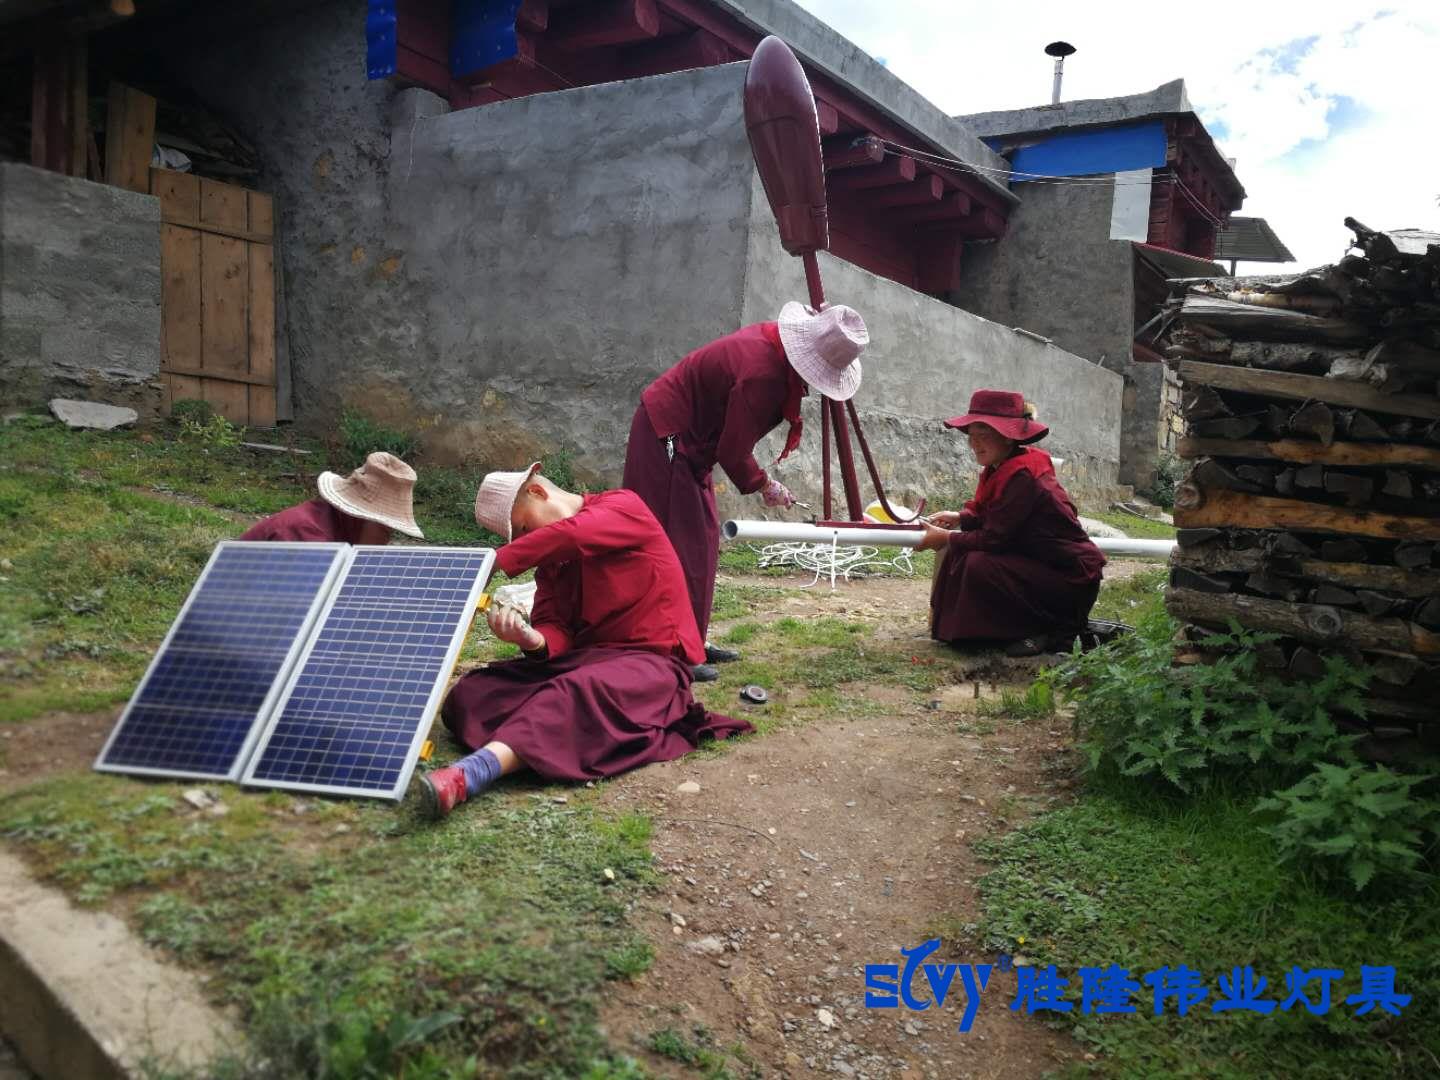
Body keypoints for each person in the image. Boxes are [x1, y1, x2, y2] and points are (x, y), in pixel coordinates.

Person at [420, 464, 754, 819]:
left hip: (649, 665)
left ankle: (472, 772)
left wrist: (493, 562)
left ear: (537, 492)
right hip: (584, 662)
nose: (523, 541)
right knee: (472, 691)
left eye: (522, 528)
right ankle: (542, 740)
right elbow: (555, 631)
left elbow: (575, 535)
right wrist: (530, 638)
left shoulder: (622, 506)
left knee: (573, 691)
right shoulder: (552, 565)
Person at [623, 303, 868, 680]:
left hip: (692, 442)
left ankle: (690, 641)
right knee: (681, 546)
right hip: (668, 435)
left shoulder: (773, 348)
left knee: (701, 543)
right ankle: (671, 651)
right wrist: (765, 485)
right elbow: (732, 452)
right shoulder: (765, 375)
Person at [916, 390, 1105, 657]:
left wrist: (946, 538)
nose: (975, 445)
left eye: (984, 436)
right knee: (967, 558)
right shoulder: (1001, 467)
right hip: (1037, 564)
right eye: (972, 436)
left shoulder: (1023, 475)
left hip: (1067, 578)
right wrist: (961, 518)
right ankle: (982, 635)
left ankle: (1046, 631)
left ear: (1007, 438)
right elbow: (997, 515)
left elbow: (995, 538)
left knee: (978, 564)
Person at [239, 451, 423, 543]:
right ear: (361, 517)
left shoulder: (330, 525)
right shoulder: (308, 537)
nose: (386, 541)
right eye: (386, 530)